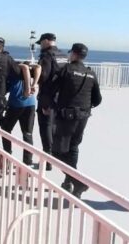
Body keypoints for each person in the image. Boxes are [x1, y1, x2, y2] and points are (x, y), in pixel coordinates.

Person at [50, 43, 102, 198]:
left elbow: (52, 89)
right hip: (83, 117)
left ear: (73, 54)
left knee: (56, 152)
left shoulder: (66, 70)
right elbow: (97, 99)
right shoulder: (90, 74)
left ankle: (78, 183)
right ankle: (69, 182)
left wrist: (51, 106)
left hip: (67, 117)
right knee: (73, 148)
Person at [36, 33, 68, 170]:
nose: (40, 46)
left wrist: (33, 72)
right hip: (60, 98)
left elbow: (43, 76)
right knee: (55, 128)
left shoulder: (47, 56)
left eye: (41, 43)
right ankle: (55, 158)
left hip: (48, 98)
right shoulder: (63, 56)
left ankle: (48, 160)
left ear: (47, 41)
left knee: (46, 129)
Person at [1, 62, 41, 165]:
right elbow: (38, 67)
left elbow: (6, 89)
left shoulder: (13, 75)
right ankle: (27, 161)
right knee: (27, 133)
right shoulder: (32, 76)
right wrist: (34, 84)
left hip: (15, 105)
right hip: (30, 105)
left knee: (6, 129)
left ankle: (7, 155)